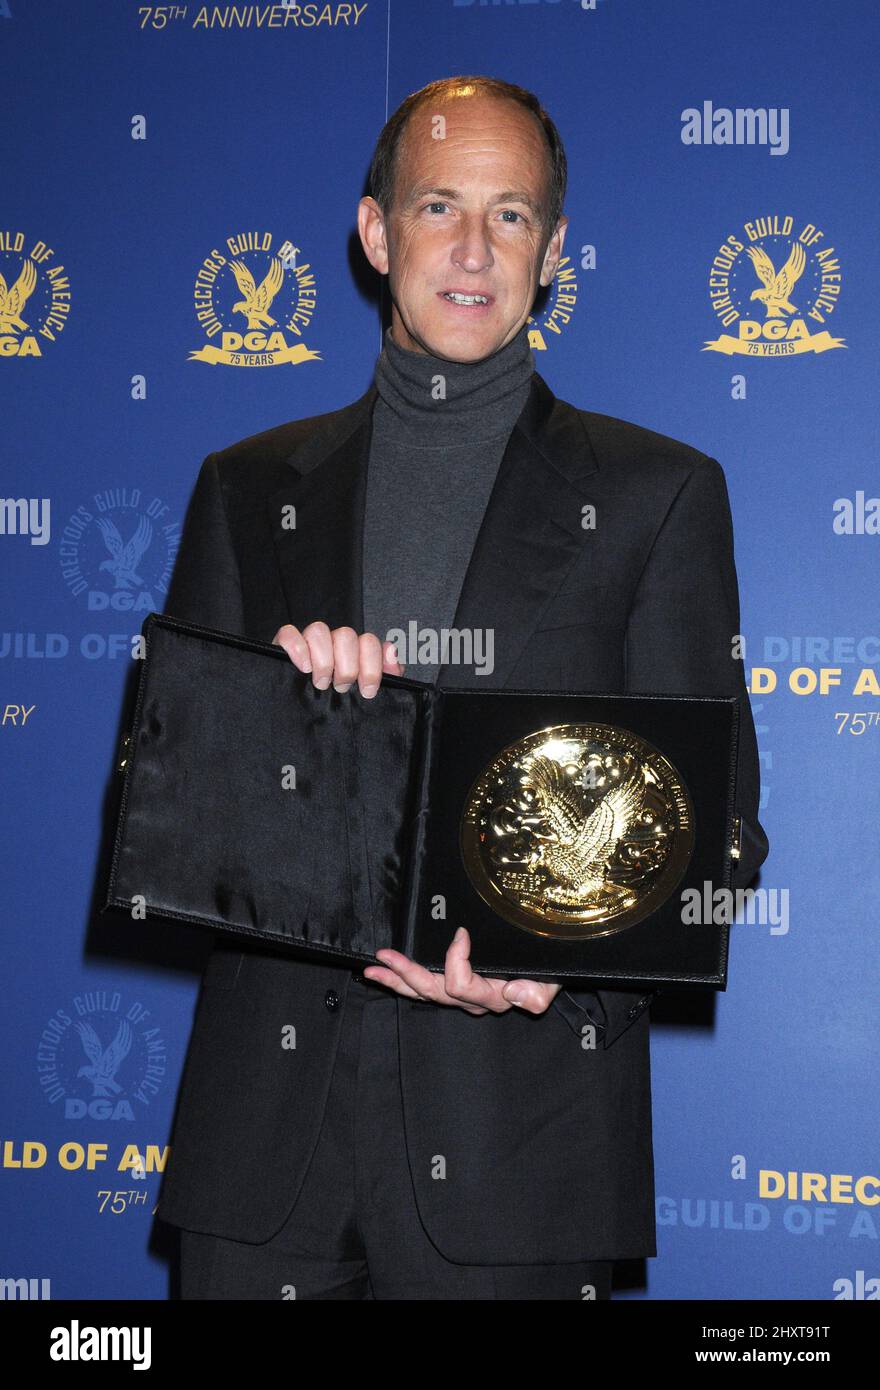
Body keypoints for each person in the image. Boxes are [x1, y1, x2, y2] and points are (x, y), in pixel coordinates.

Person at [155, 75, 768, 1300]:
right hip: (263, 1145)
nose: (474, 249)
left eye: (512, 215)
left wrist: (560, 963)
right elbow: (174, 805)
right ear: (377, 233)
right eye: (439, 206)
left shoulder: (658, 494)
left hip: (522, 1145)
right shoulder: (247, 485)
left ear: (551, 253)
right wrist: (287, 722)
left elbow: (716, 833)